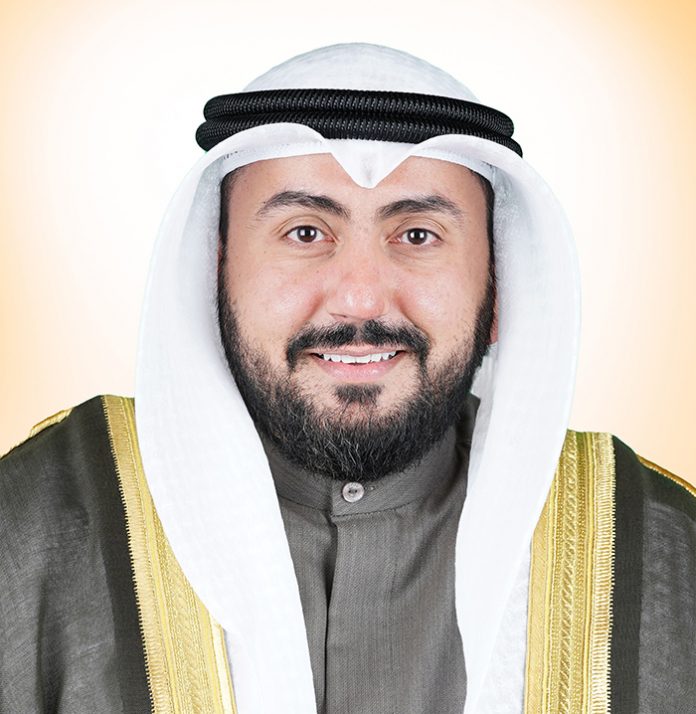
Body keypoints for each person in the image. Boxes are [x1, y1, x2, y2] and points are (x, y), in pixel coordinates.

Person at [0, 43, 694, 714]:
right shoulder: (31, 524)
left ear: (500, 286)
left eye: (417, 235)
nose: (360, 299)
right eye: (305, 232)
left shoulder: (661, 547)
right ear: (213, 272)